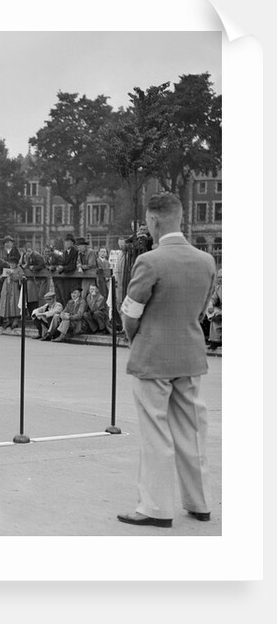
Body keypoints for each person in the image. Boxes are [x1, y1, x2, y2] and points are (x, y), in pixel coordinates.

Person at [116, 193, 216, 529]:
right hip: (190, 354)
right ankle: (199, 502)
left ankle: (156, 507)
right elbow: (202, 310)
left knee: (155, 433)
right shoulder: (207, 261)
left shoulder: (150, 262)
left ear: (155, 221)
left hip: (153, 358)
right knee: (192, 430)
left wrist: (136, 339)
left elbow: (130, 313)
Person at [54, 234, 79, 303]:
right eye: (66, 242)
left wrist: (63, 268)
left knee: (73, 296)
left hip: (73, 278)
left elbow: (73, 266)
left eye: (69, 242)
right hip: (65, 277)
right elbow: (62, 262)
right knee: (64, 296)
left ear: (72, 243)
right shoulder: (64, 253)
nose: (67, 243)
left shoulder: (75, 252)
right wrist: (59, 268)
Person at [204, 268, 222, 350]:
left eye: (221, 277)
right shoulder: (218, 288)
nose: (219, 279)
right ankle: (215, 341)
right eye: (218, 277)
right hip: (220, 311)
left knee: (217, 317)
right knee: (214, 317)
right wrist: (211, 305)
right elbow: (213, 299)